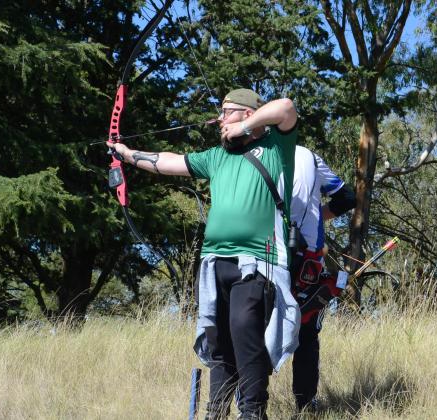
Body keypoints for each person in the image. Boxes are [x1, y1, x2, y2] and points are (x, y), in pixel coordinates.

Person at [107, 88, 300, 419]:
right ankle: (216, 412)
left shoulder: (275, 149)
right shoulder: (216, 156)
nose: (220, 120)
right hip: (214, 264)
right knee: (219, 341)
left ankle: (253, 413)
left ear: (248, 115)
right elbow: (168, 161)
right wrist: (125, 154)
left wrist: (243, 127)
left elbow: (286, 108)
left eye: (226, 113)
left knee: (243, 329)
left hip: (256, 262)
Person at [289, 145, 355, 411]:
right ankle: (305, 407)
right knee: (305, 336)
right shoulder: (309, 157)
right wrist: (316, 216)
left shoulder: (250, 154)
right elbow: (346, 198)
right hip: (308, 260)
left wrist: (316, 215)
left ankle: (250, 408)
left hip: (265, 256)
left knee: (254, 331)